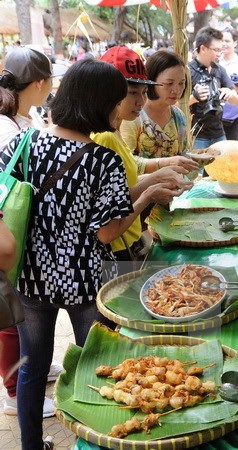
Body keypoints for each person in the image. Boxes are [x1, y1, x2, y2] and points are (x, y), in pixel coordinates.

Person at [0, 59, 137, 450]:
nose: (117, 112)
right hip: (84, 281)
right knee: (98, 365)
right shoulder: (102, 159)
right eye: (115, 103)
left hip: (30, 279)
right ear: (98, 104)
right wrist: (143, 198)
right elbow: (107, 231)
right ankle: (97, 438)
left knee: (31, 368)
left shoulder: (25, 142)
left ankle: (30, 445)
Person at [0, 46, 64, 421]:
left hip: (21, 227)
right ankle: (13, 391)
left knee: (23, 316)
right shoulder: (7, 127)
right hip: (8, 228)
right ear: (40, 83)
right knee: (11, 314)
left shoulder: (24, 117)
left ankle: (33, 370)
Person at [94, 46, 193, 263]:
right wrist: (150, 190)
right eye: (132, 93)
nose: (140, 101)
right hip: (115, 249)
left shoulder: (116, 130)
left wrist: (158, 179)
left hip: (130, 236)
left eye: (143, 92)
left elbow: (123, 186)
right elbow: (107, 226)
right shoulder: (105, 137)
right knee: (119, 294)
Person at [120, 49, 198, 175]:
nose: (176, 90)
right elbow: (124, 161)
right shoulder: (133, 115)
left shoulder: (178, 116)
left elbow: (183, 155)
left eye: (181, 83)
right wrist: (165, 163)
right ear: (151, 81)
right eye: (169, 83)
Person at [189, 27, 238, 149]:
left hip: (219, 132)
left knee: (221, 168)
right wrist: (194, 97)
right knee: (197, 168)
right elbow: (176, 104)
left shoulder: (220, 70)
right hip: (196, 135)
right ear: (203, 48)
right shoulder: (188, 70)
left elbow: (236, 101)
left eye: (220, 50)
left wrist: (230, 93)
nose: (219, 54)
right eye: (216, 50)